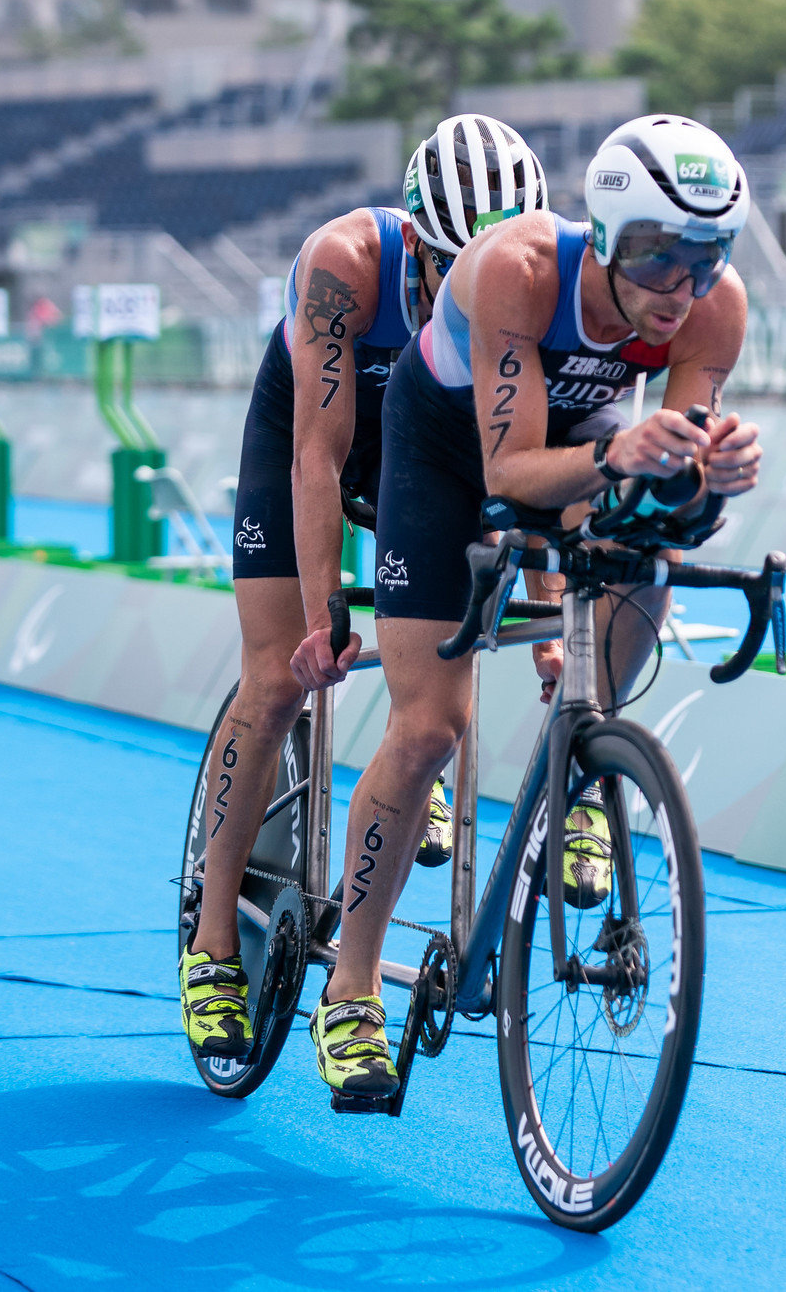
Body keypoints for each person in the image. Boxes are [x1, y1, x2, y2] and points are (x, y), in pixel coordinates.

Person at [300, 114, 764, 1101]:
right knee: (430, 725)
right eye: (654, 257)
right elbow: (509, 472)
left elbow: (669, 501)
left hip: (578, 435)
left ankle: (578, 771)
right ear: (602, 235)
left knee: (646, 557)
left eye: (705, 259)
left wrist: (712, 479)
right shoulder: (519, 268)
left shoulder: (719, 309)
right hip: (442, 448)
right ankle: (349, 991)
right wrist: (616, 459)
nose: (678, 291)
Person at [179, 115, 547, 1059]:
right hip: (317, 438)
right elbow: (317, 455)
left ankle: (403, 775)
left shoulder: (530, 281)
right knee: (278, 680)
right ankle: (214, 941)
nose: (473, 293)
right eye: (450, 272)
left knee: (437, 691)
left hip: (435, 453)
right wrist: (320, 614)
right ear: (419, 244)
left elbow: (540, 455)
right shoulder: (347, 264)